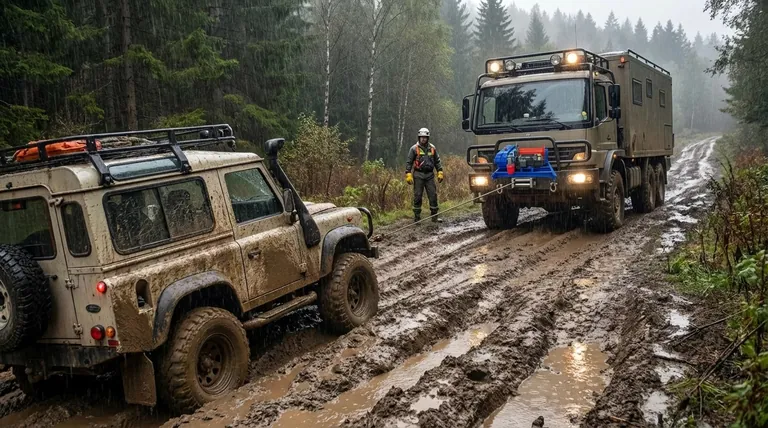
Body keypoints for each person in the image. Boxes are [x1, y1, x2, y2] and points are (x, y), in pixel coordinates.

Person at [405, 128, 444, 223]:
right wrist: (408, 174)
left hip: (430, 175)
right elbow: (409, 162)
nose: (423, 139)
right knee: (418, 196)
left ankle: (434, 217)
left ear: (428, 138)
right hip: (418, 175)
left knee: (433, 195)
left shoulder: (432, 148)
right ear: (419, 137)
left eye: (425, 137)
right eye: (421, 137)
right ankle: (417, 217)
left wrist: (440, 172)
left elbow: (437, 161)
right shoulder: (414, 149)